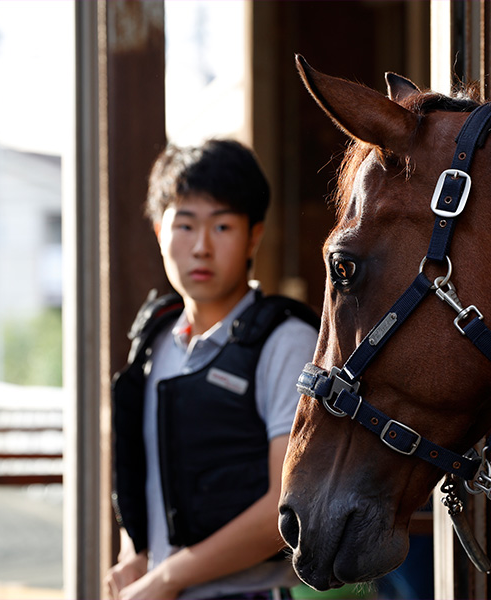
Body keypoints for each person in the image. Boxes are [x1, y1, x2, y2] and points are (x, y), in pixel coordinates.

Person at [105, 139, 319, 600]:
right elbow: (141, 473)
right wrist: (134, 555)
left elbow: (282, 508)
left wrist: (168, 578)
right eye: (184, 225)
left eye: (222, 226)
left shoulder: (285, 341)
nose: (201, 247)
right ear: (159, 232)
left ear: (254, 236)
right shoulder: (153, 341)